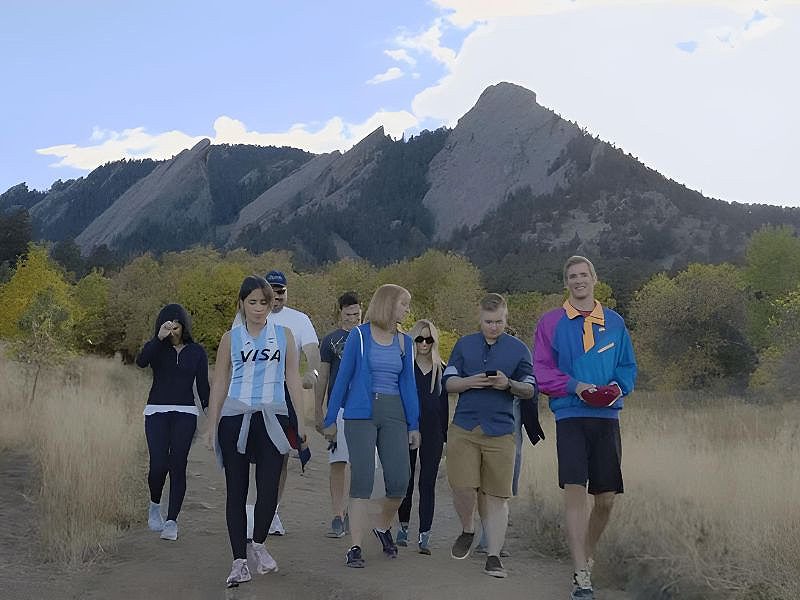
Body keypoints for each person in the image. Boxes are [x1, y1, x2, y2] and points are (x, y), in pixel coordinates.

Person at [533, 256, 637, 600]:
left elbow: (627, 366)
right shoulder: (550, 322)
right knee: (575, 491)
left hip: (606, 419)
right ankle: (580, 574)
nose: (578, 280)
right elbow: (542, 370)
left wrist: (616, 389)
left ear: (594, 278)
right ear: (566, 282)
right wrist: (576, 387)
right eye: (572, 276)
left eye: (583, 275)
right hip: (570, 417)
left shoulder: (615, 322)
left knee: (605, 500)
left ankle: (586, 556)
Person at [206, 275, 308, 587]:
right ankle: (238, 561)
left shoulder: (285, 335)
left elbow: (293, 378)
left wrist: (301, 423)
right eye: (253, 302)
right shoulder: (230, 339)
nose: (259, 308)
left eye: (265, 302)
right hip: (236, 417)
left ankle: (258, 544)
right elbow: (220, 382)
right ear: (242, 304)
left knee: (268, 488)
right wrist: (211, 425)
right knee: (236, 492)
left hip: (273, 417)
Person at [323, 284, 421, 568]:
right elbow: (342, 379)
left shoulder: (405, 342)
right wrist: (330, 419)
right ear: (389, 304)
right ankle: (355, 546)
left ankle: (381, 523)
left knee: (400, 480)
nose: (407, 309)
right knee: (363, 478)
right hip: (360, 412)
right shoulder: (359, 336)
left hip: (394, 412)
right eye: (404, 304)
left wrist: (413, 424)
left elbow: (409, 386)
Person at [443, 293, 536, 579]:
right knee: (462, 486)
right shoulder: (464, 345)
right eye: (488, 321)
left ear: (506, 319)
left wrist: (508, 384)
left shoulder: (519, 350)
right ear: (479, 318)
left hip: (501, 429)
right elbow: (448, 382)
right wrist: (472, 381)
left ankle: (494, 556)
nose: (493, 327)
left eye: (498, 322)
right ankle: (468, 529)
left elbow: (531, 388)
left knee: (497, 495)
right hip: (465, 427)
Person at [233, 269, 321, 536]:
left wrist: (312, 373)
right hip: (250, 394)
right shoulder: (244, 318)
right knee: (248, 455)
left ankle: (271, 510)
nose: (277, 296)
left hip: (284, 391)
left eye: (280, 291)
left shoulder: (299, 320)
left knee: (280, 455)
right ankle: (250, 510)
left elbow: (313, 353)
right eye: (272, 291)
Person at [136, 303, 210, 541]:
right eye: (167, 323)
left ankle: (171, 521)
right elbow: (141, 361)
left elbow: (203, 388)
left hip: (186, 412)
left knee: (178, 464)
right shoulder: (156, 349)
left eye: (176, 323)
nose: (172, 328)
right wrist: (158, 339)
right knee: (158, 464)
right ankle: (154, 506)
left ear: (183, 325)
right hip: (156, 411)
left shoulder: (197, 352)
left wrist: (214, 417)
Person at [395, 319, 449, 555]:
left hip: (434, 430)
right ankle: (403, 527)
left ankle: (424, 535)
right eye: (419, 339)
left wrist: (445, 437)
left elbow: (444, 405)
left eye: (429, 339)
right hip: (408, 428)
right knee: (405, 479)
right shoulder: (404, 367)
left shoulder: (442, 369)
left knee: (427, 482)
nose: (424, 344)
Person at [315, 291, 362, 538]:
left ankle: (355, 512)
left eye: (356, 313)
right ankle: (337, 514)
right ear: (340, 313)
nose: (353, 318)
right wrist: (318, 409)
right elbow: (323, 375)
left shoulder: (368, 337)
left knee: (361, 465)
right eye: (348, 314)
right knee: (338, 462)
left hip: (364, 410)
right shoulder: (330, 340)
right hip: (339, 408)